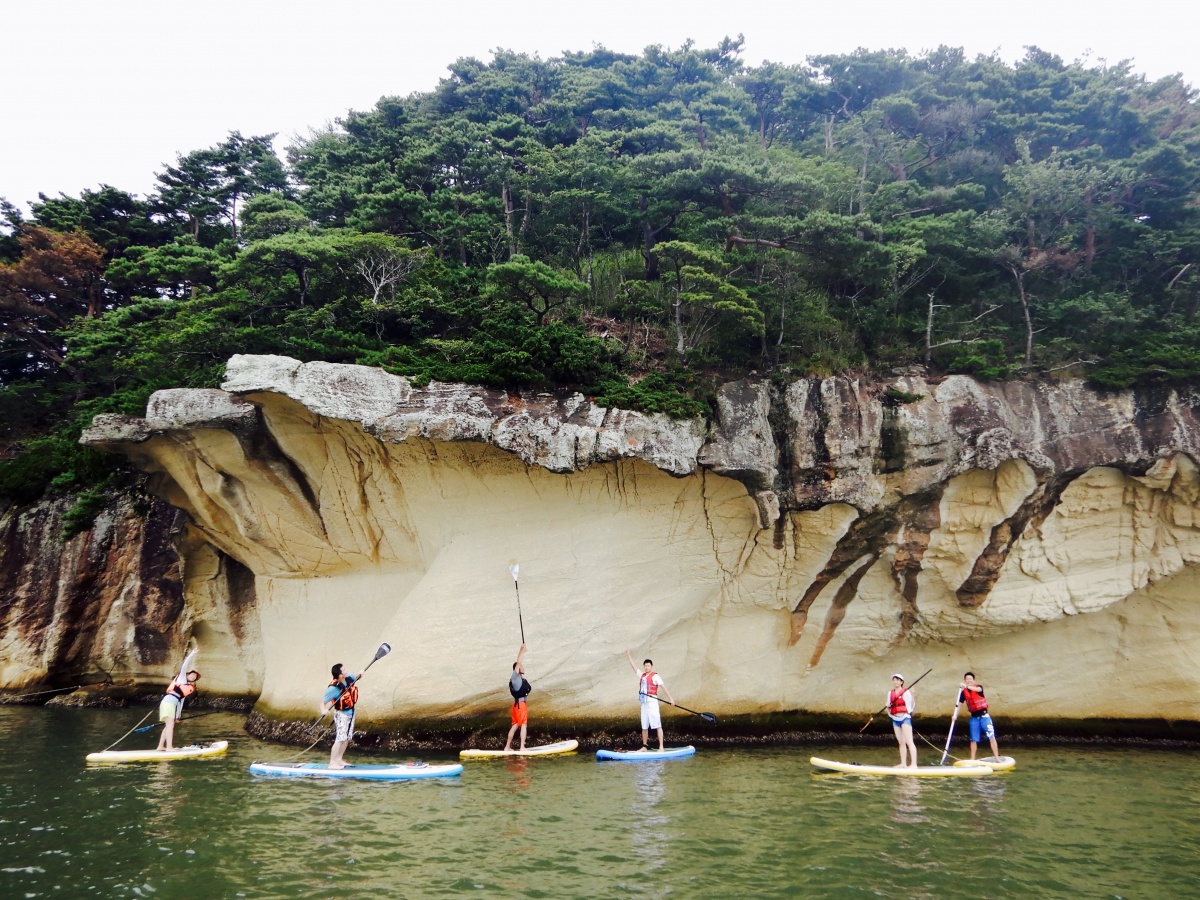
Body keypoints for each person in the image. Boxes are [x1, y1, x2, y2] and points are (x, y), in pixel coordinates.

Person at [626, 649, 676, 751]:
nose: (646, 667)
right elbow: (634, 667)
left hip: (652, 702)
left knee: (657, 724)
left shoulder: (655, 676)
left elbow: (663, 687)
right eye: (645, 666)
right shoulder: (642, 675)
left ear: (651, 666)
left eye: (648, 666)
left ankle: (661, 746)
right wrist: (628, 654)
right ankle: (644, 746)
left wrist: (671, 699)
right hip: (644, 703)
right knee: (644, 725)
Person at [321, 662, 363, 769]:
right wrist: (324, 710)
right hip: (341, 715)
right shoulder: (333, 688)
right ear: (340, 675)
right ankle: (332, 763)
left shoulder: (348, 677)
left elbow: (356, 678)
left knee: (347, 738)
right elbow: (323, 703)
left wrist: (360, 675)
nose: (346, 670)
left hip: (351, 712)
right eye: (343, 670)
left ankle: (339, 760)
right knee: (340, 738)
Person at [957, 672, 1001, 761]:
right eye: (967, 679)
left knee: (991, 737)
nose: (968, 680)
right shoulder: (963, 693)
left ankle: (997, 758)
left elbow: (977, 690)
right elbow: (959, 705)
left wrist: (966, 686)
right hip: (974, 718)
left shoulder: (979, 687)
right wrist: (955, 715)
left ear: (973, 680)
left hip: (984, 717)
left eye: (970, 679)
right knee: (973, 739)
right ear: (965, 680)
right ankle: (972, 759)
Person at [157, 665, 200, 752]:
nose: (193, 676)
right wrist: (192, 653)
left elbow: (180, 703)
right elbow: (184, 666)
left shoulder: (187, 688)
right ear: (187, 675)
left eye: (195, 677)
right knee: (170, 726)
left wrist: (178, 716)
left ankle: (160, 746)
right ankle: (169, 747)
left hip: (170, 704)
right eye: (192, 674)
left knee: (168, 726)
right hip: (168, 703)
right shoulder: (182, 679)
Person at [504, 644, 532, 752]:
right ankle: (522, 747)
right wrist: (521, 651)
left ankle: (507, 747)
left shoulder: (519, 678)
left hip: (516, 706)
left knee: (515, 725)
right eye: (521, 666)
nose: (523, 667)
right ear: (518, 668)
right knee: (523, 725)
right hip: (520, 706)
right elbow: (518, 662)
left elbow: (519, 663)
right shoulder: (515, 677)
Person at [888, 673, 918, 768]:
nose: (896, 681)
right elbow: (889, 708)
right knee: (901, 742)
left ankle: (914, 764)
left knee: (909, 741)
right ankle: (903, 764)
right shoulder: (890, 693)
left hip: (905, 717)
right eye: (894, 680)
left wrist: (912, 694)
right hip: (895, 719)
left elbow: (911, 705)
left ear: (901, 682)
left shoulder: (906, 692)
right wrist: (888, 706)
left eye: (898, 680)